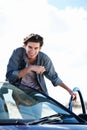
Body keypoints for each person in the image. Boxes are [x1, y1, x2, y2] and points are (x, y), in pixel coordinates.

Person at [6, 33, 76, 101]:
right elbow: (10, 76)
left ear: (40, 48)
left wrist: (69, 91)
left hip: (37, 94)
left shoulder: (44, 59)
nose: (32, 51)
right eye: (30, 47)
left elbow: (54, 77)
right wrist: (30, 68)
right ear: (25, 46)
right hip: (19, 93)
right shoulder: (18, 53)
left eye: (36, 48)